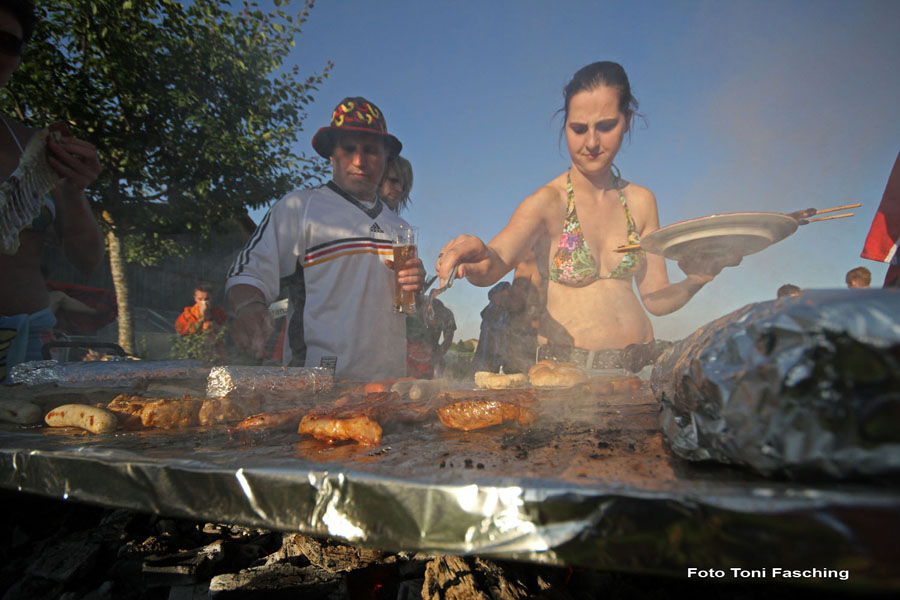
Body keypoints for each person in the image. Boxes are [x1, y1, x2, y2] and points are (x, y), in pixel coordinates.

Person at [435, 62, 735, 373]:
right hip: (568, 377)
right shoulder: (547, 203)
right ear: (565, 125)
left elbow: (656, 300)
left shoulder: (642, 202)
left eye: (606, 126)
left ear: (627, 121)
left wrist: (697, 279)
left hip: (642, 368)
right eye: (578, 129)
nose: (591, 142)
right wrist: (474, 257)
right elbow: (494, 261)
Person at [225, 97, 425, 380]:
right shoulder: (299, 208)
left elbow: (407, 304)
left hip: (387, 388)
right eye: (348, 148)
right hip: (318, 387)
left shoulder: (399, 227)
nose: (359, 160)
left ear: (385, 158)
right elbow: (248, 272)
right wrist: (250, 307)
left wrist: (416, 284)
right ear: (332, 155)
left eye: (370, 150)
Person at [0, 0, 103, 381]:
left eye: (7, 42)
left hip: (29, 341)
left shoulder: (34, 148)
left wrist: (74, 191)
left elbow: (87, 259)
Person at [472, 281, 511, 373]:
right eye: (499, 295)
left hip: (498, 354)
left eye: (505, 297)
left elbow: (505, 337)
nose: (500, 299)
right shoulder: (488, 310)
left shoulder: (507, 314)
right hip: (483, 351)